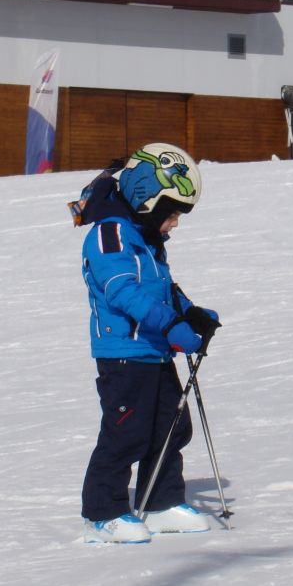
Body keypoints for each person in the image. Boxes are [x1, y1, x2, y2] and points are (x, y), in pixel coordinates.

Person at [75, 143, 220, 544]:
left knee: (171, 427)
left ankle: (161, 503)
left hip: (153, 353)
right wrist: (170, 323)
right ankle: (103, 513)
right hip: (123, 357)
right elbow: (123, 292)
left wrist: (189, 313)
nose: (174, 224)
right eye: (171, 214)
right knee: (127, 433)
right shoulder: (109, 234)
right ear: (148, 200)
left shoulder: (146, 240)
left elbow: (161, 289)